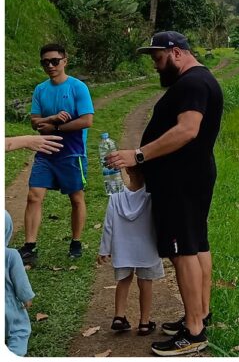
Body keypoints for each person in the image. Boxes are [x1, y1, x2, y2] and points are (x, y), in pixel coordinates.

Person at [106, 31, 223, 356]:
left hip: (181, 180)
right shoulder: (200, 79)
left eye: (158, 59)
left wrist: (138, 156)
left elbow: (188, 130)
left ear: (175, 52)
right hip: (192, 176)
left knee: (182, 249)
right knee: (197, 243)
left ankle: (194, 333)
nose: (157, 67)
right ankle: (198, 314)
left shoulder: (192, 83)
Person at [19, 43, 94, 265]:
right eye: (45, 62)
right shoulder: (40, 90)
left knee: (76, 197)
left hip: (72, 152)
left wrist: (57, 128)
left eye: (55, 61)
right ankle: (30, 246)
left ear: (65, 61)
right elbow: (35, 122)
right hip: (45, 151)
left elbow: (87, 120)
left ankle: (76, 242)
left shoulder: (78, 87)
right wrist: (51, 120)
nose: (50, 66)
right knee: (34, 195)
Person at [97, 165, 164, 336]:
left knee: (124, 281)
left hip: (122, 248)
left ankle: (119, 316)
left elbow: (108, 224)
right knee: (145, 282)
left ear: (127, 171)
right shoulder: (153, 195)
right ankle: (144, 322)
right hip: (147, 248)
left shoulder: (116, 195)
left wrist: (104, 249)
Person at [5, 210, 35, 356]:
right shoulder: (10, 254)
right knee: (20, 330)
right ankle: (15, 353)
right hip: (8, 306)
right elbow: (20, 279)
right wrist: (26, 297)